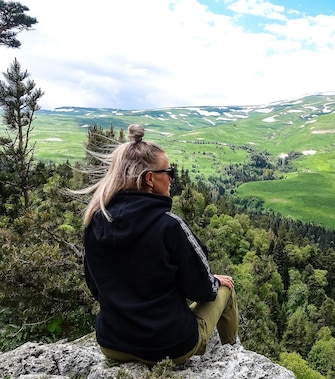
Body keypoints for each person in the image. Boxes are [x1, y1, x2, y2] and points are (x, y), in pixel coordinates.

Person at [81, 123, 238, 365]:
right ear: (150, 179)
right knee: (225, 288)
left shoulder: (95, 221)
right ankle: (234, 357)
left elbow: (95, 287)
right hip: (170, 348)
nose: (173, 179)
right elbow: (203, 290)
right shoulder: (169, 225)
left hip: (112, 345)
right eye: (170, 172)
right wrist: (215, 281)